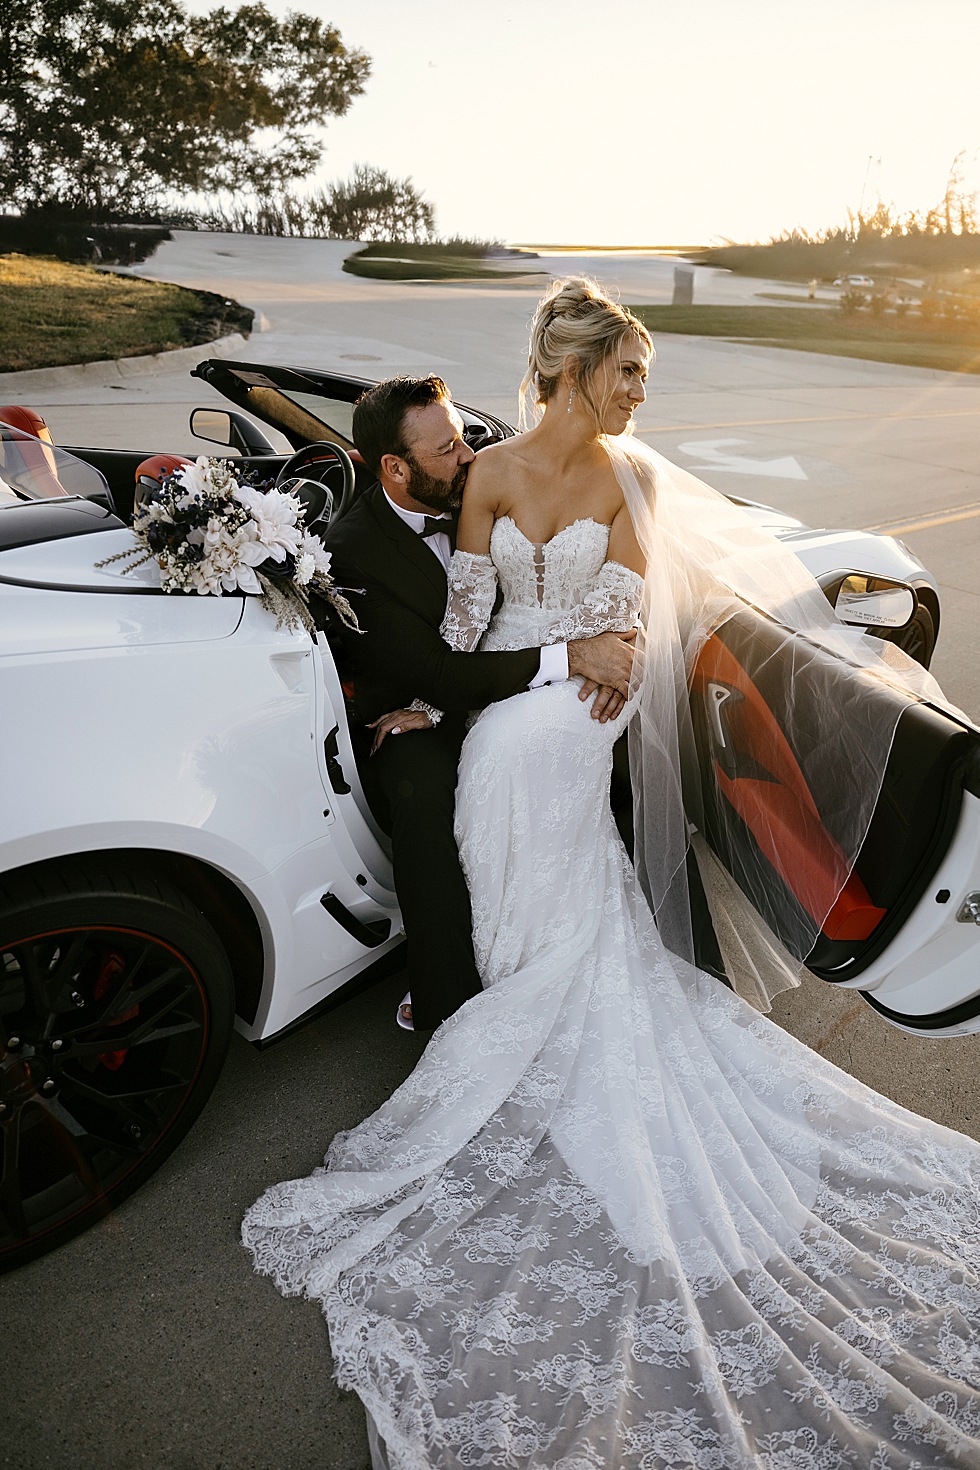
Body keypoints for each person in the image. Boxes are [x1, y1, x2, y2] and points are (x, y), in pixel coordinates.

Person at [245, 280, 980, 1468]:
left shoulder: (632, 480)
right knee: (489, 783)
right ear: (575, 371)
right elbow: (469, 620)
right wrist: (443, 697)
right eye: (627, 370)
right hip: (521, 686)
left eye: (641, 372)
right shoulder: (487, 472)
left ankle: (515, 1004)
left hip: (584, 702)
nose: (640, 391)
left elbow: (626, 626)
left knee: (523, 765)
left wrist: (574, 664)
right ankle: (509, 986)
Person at [321, 375, 635, 1031]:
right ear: (394, 468)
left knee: (572, 746)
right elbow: (439, 671)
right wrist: (573, 657)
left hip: (516, 672)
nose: (468, 455)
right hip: (417, 702)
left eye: (463, 437)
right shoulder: (354, 551)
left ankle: (568, 936)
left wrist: (606, 648)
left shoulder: (487, 474)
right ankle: (447, 999)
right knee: (419, 787)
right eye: (447, 450)